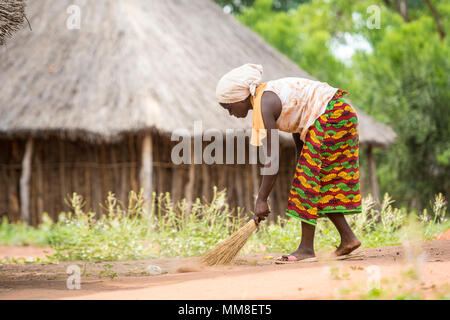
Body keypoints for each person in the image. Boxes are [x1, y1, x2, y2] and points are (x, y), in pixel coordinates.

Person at [215, 63, 362, 261]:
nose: (230, 113)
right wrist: (302, 166)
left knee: (308, 181)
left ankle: (306, 249)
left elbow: (272, 159)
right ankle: (348, 239)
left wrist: (261, 199)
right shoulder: (266, 96)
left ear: (239, 98)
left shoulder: (263, 104)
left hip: (332, 116)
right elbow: (299, 125)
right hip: (337, 114)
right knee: (314, 180)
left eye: (229, 107)